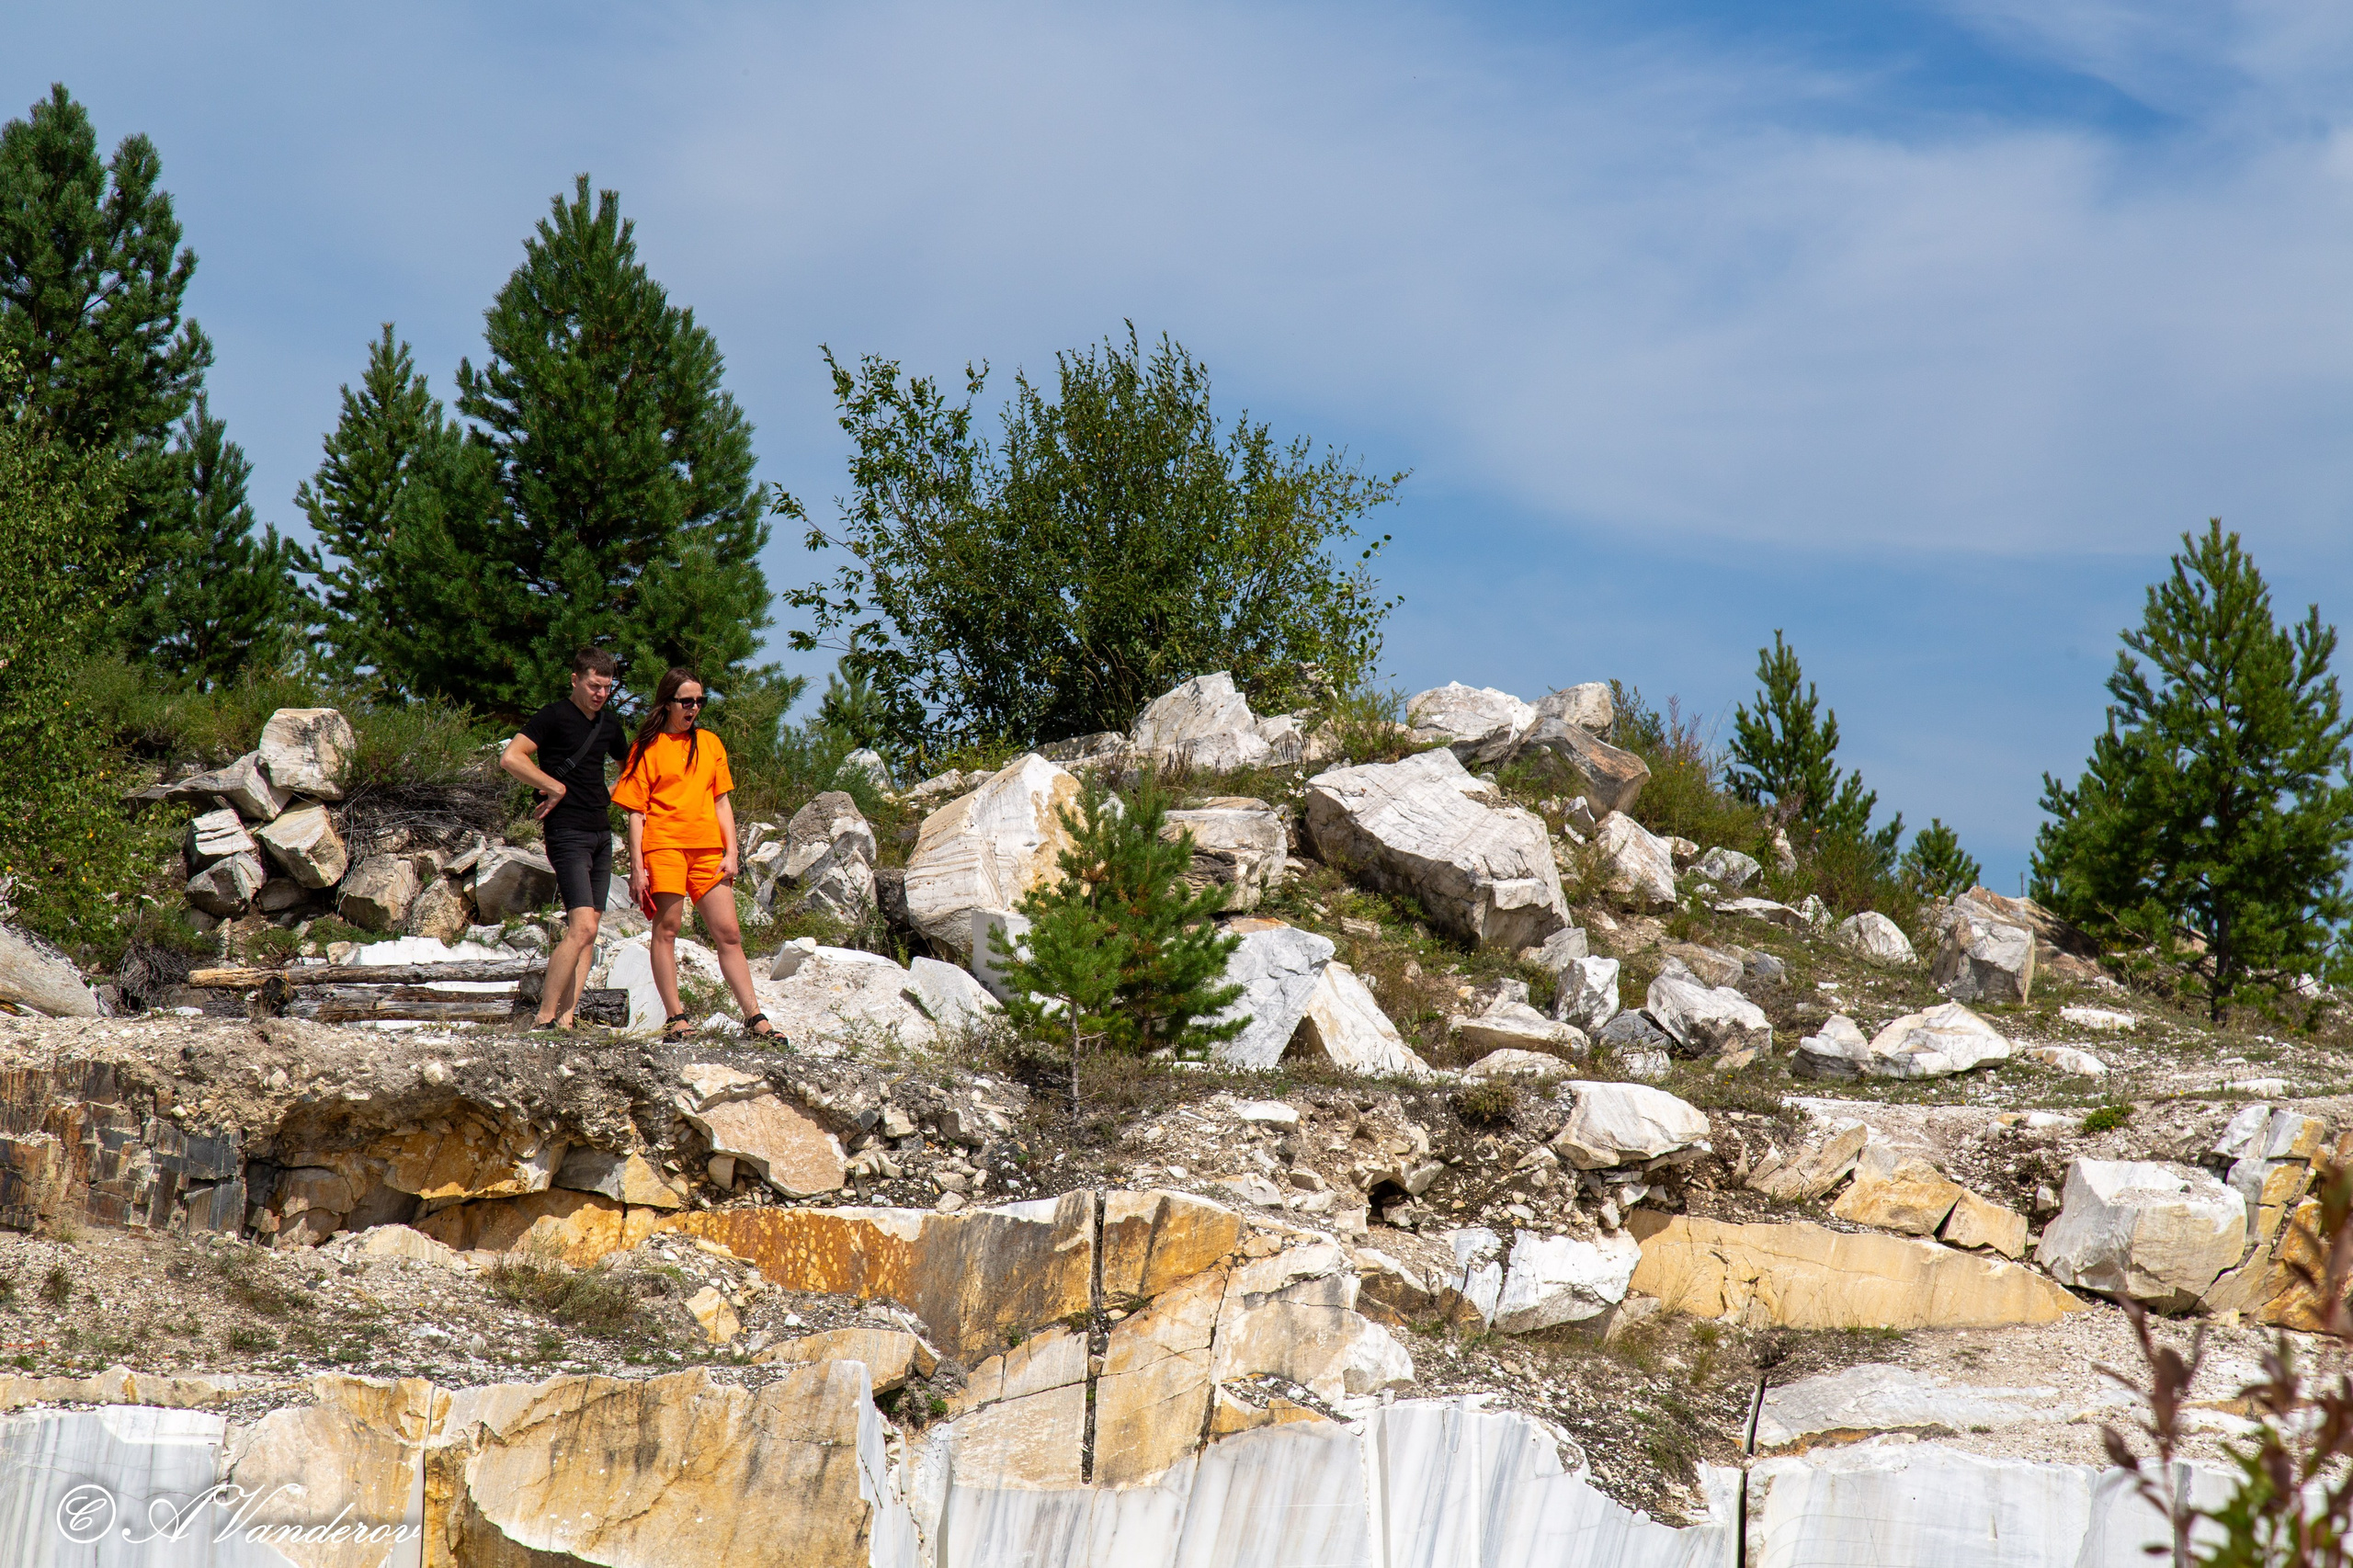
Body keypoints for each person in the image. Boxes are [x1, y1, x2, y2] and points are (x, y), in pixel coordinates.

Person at [610, 667, 778, 1041]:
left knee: (729, 933)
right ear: (668, 703)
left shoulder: (711, 744)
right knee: (667, 930)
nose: (695, 708)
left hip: (707, 851)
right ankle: (676, 1018)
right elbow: (636, 813)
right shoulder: (646, 747)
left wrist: (732, 852)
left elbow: (722, 802)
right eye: (687, 701)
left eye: (700, 701)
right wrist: (637, 868)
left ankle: (755, 1018)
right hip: (664, 846)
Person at [499, 647, 631, 1029]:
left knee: (591, 931)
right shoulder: (553, 715)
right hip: (566, 832)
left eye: (607, 688)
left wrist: (609, 791)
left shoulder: (609, 725)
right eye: (594, 686)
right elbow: (512, 757)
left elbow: (632, 767)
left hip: (602, 833)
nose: (600, 694)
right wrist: (553, 786)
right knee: (583, 927)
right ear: (575, 679)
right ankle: (543, 1018)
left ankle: (567, 1020)